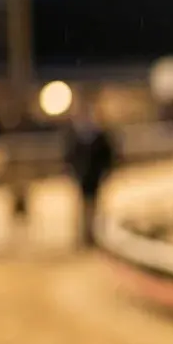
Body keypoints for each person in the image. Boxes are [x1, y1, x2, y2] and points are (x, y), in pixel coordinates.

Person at [62, 99, 116, 248]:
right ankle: (85, 234)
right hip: (83, 176)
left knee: (93, 205)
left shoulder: (100, 136)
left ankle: (92, 234)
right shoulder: (77, 135)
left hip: (95, 176)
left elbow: (108, 156)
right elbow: (69, 156)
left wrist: (106, 171)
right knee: (84, 206)